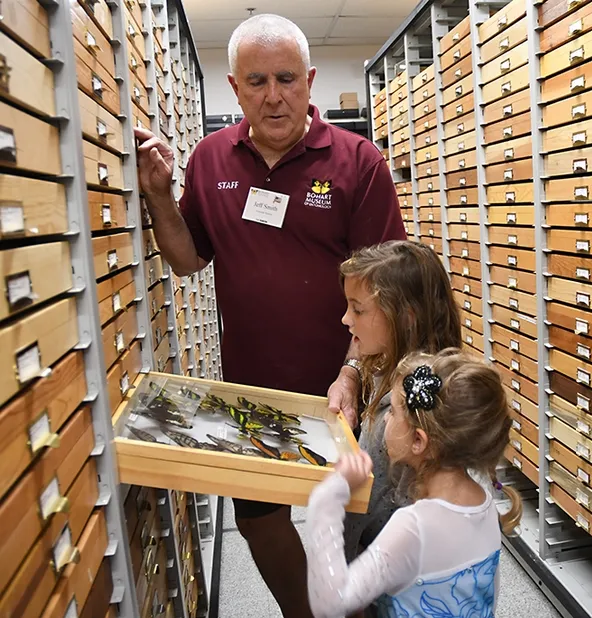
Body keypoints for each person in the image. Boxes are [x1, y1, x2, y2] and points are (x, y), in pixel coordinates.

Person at [133, 13, 405, 618]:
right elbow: (186, 258)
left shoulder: (358, 163)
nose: (274, 95)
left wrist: (354, 372)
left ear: (309, 81)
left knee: (356, 524)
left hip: (347, 385)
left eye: (287, 78)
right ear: (234, 88)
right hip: (254, 386)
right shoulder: (210, 160)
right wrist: (156, 194)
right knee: (259, 523)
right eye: (257, 82)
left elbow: (387, 286)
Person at [305, 349, 523, 618]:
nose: (385, 417)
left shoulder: (413, 527)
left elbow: (331, 603)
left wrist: (327, 500)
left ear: (419, 441)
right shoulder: (485, 505)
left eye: (393, 411)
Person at [338, 241, 462, 565]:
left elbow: (372, 512)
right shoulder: (394, 368)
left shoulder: (411, 407)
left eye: (358, 309)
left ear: (404, 317)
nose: (345, 319)